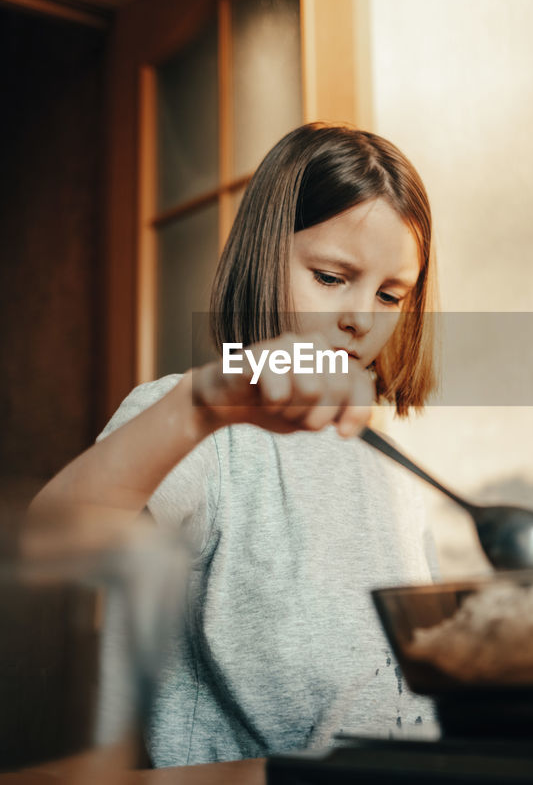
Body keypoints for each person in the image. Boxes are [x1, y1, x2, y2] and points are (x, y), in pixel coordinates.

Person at [29, 123, 441, 766]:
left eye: (391, 295)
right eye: (332, 277)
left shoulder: (387, 462)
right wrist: (200, 409)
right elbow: (48, 545)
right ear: (262, 257)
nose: (363, 317)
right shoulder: (202, 427)